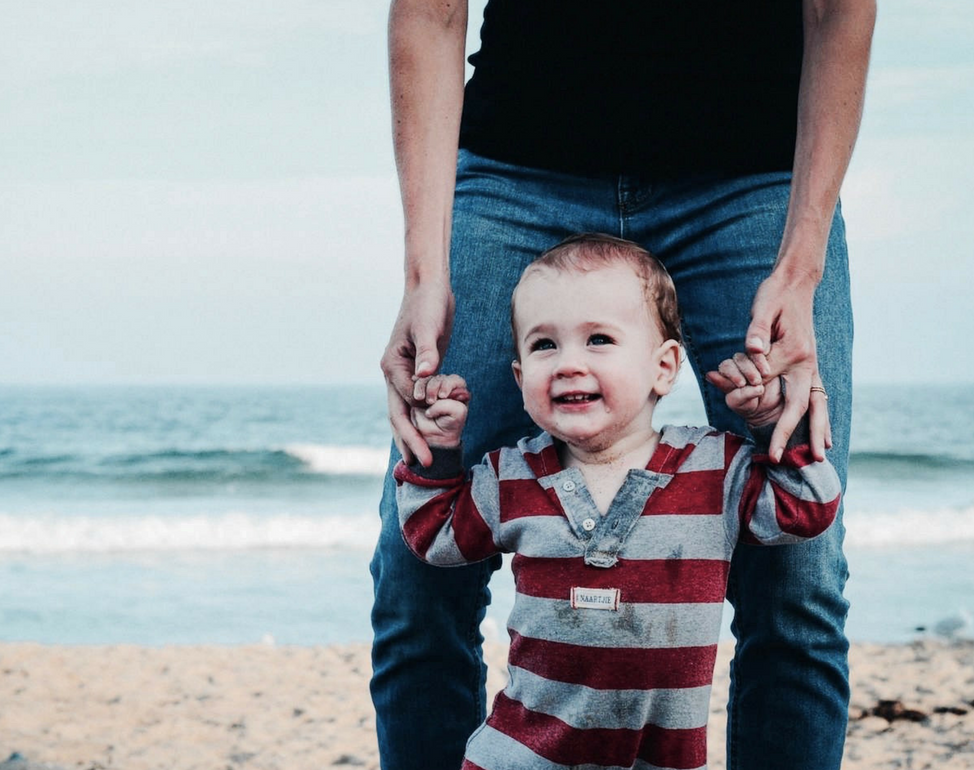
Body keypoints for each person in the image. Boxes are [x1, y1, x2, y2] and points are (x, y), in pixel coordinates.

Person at [371, 2, 875, 769]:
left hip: (755, 178)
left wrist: (800, 266)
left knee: (800, 579)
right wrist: (423, 274)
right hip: (516, 170)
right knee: (416, 581)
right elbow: (431, 12)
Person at [393, 234, 841, 770]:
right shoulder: (508, 475)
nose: (567, 364)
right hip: (517, 756)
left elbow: (809, 509)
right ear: (519, 378)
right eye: (543, 346)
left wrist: (773, 426)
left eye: (599, 339)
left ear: (665, 367)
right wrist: (439, 457)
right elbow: (434, 539)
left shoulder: (716, 468)